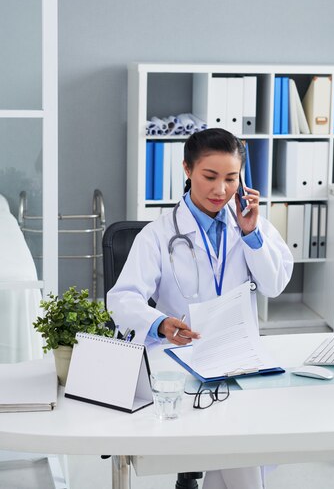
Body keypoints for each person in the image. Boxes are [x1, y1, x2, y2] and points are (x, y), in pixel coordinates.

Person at [108, 127, 293, 489]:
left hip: (239, 358)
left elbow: (274, 285)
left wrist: (253, 236)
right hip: (182, 360)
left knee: (243, 443)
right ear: (187, 169)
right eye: (209, 176)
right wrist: (159, 323)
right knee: (241, 451)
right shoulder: (159, 235)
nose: (220, 190)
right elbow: (123, 298)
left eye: (230, 179)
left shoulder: (251, 225)